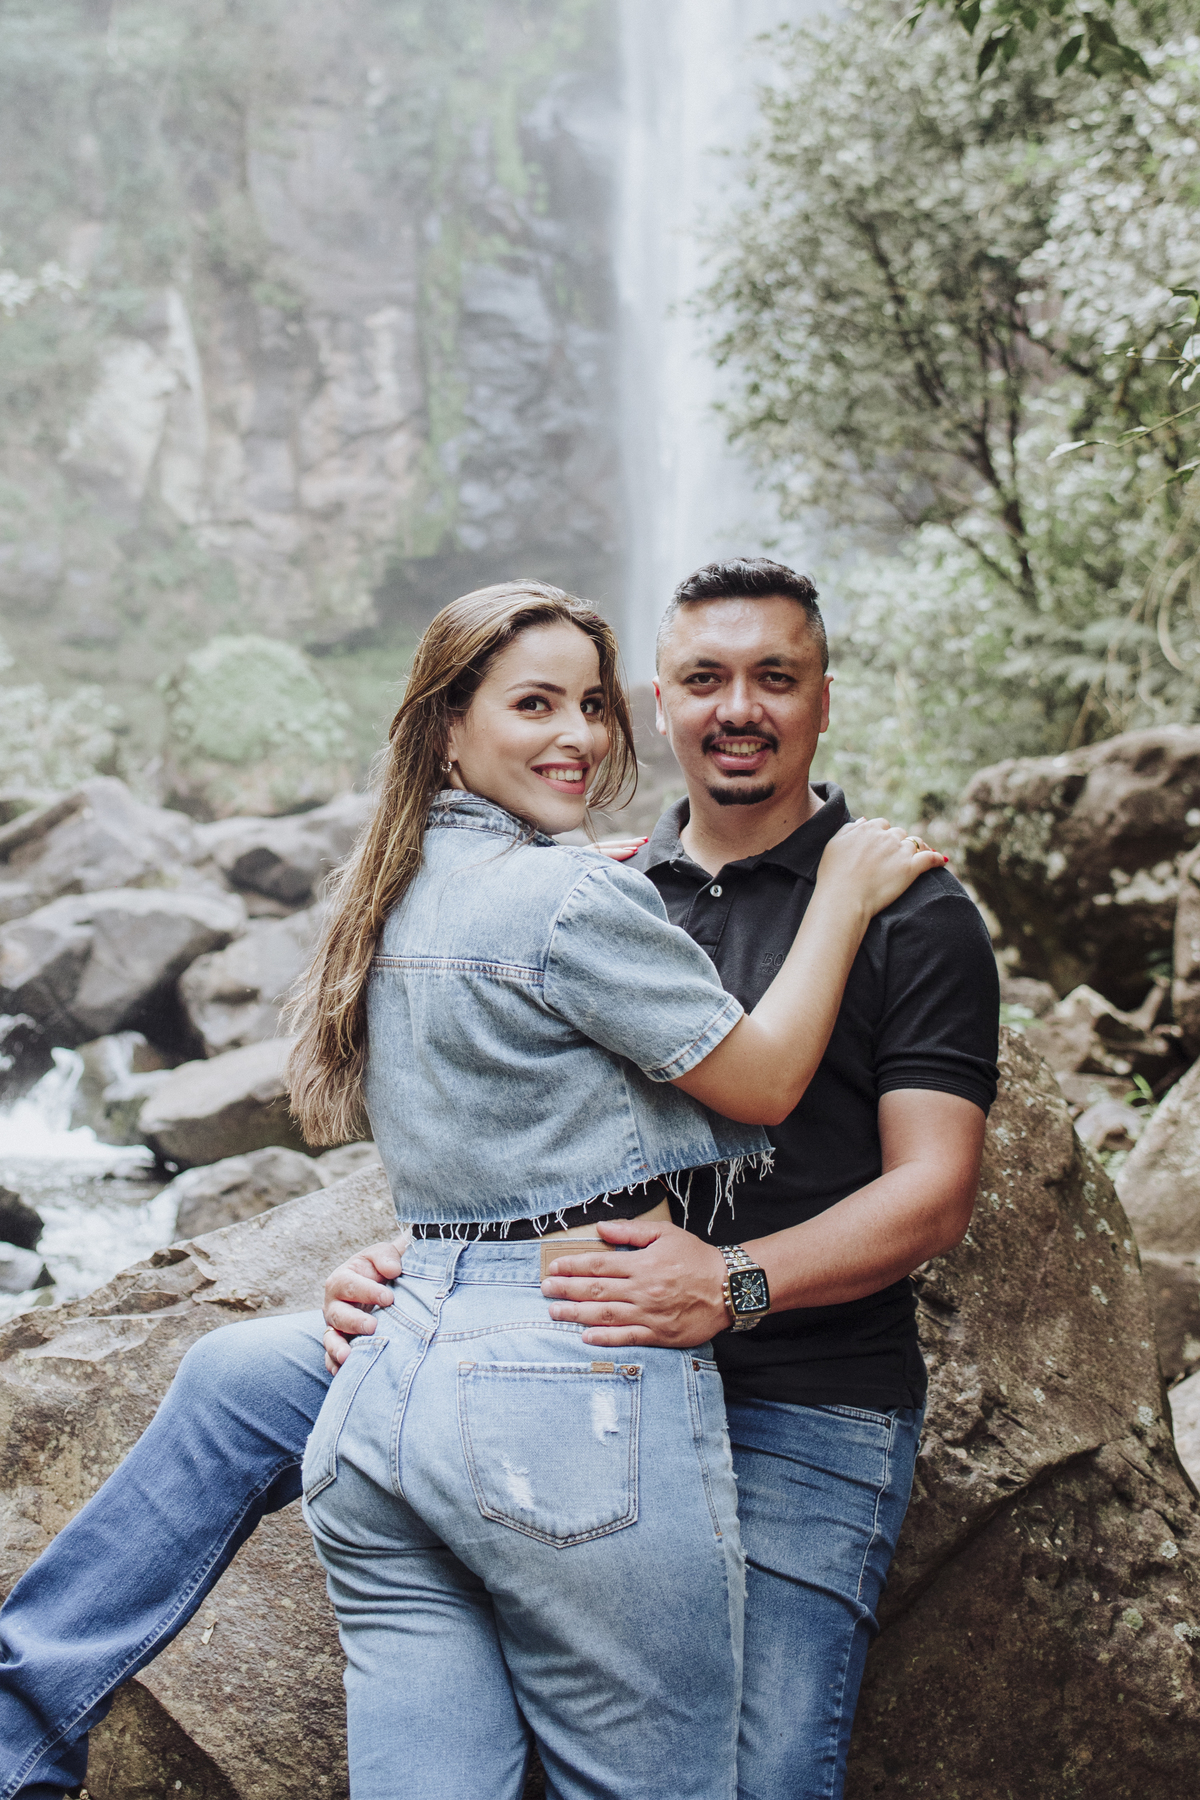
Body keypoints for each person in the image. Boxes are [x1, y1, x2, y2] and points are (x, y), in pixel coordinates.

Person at [0, 560, 992, 1800]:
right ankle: (21, 1723)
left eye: (775, 679)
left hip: (796, 1390)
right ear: (662, 702)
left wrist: (731, 1283)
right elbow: (509, 1123)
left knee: (760, 1779)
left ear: (823, 700)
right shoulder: (600, 881)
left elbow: (934, 1194)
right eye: (704, 679)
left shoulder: (905, 910)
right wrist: (433, 1258)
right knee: (233, 1376)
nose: (738, 708)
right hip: (551, 1337)